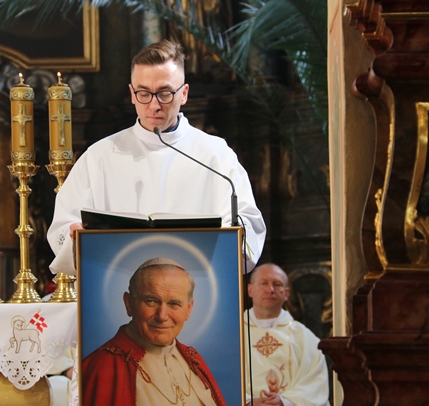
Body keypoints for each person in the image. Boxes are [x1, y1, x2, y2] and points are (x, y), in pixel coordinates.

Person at [47, 39, 266, 276]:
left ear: (184, 94)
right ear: (132, 94)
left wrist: (231, 236)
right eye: (144, 93)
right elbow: (62, 228)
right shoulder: (99, 157)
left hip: (197, 284)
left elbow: (248, 225)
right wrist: (75, 236)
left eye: (164, 94)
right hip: (116, 284)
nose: (154, 105)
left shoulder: (216, 155)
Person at [81, 257, 233, 406]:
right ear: (129, 304)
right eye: (151, 301)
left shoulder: (193, 360)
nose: (162, 316)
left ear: (188, 309)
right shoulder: (102, 367)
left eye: (174, 304)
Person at [244, 263, 334, 406]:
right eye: (264, 283)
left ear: (286, 293)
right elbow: (222, 379)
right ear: (250, 290)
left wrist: (285, 401)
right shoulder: (234, 335)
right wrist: (249, 401)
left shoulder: (305, 338)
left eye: (277, 284)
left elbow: (315, 382)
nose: (270, 289)